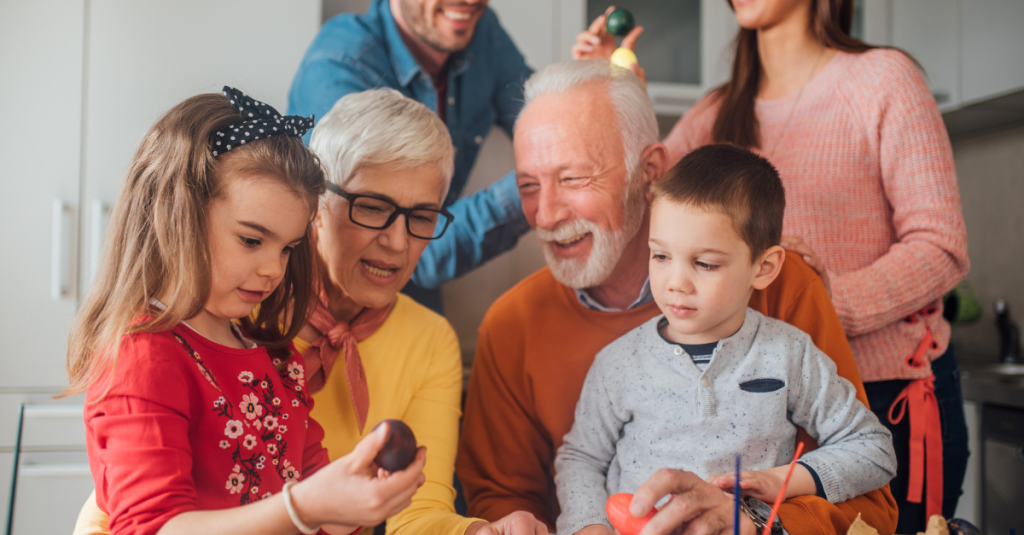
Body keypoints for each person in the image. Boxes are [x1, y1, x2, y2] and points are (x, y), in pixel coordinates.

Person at [457, 60, 899, 535]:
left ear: (648, 172)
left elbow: (871, 507)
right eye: (528, 185)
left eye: (574, 179)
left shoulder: (785, 291)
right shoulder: (511, 326)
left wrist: (749, 521)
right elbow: (507, 502)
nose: (544, 214)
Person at [635, 0, 968, 530]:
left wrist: (823, 299)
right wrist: (623, 93)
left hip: (884, 394)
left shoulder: (883, 79)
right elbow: (646, 207)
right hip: (767, 401)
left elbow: (941, 245)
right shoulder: (716, 112)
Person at [67, 88, 426, 535]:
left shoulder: (275, 356)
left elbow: (315, 499)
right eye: (252, 240)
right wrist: (304, 508)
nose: (273, 269)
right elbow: (155, 528)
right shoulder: (144, 356)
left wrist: (356, 495)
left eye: (288, 248)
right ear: (178, 214)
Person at [553, 144, 897, 535]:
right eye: (660, 256)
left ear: (764, 267)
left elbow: (873, 449)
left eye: (705, 263)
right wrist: (588, 526)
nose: (675, 283)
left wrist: (783, 480)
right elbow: (580, 459)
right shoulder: (617, 363)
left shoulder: (790, 353)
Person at [294, 88, 546, 535]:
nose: (398, 242)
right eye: (372, 207)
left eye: (423, 216)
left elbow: (418, 513)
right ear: (316, 202)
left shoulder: (429, 340)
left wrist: (477, 533)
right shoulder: (248, 307)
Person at [288, 0, 534, 311]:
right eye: (374, 207)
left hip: (411, 284)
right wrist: (534, 185)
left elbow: (541, 115)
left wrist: (584, 93)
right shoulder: (342, 63)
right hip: (326, 294)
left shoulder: (482, 31)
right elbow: (421, 253)